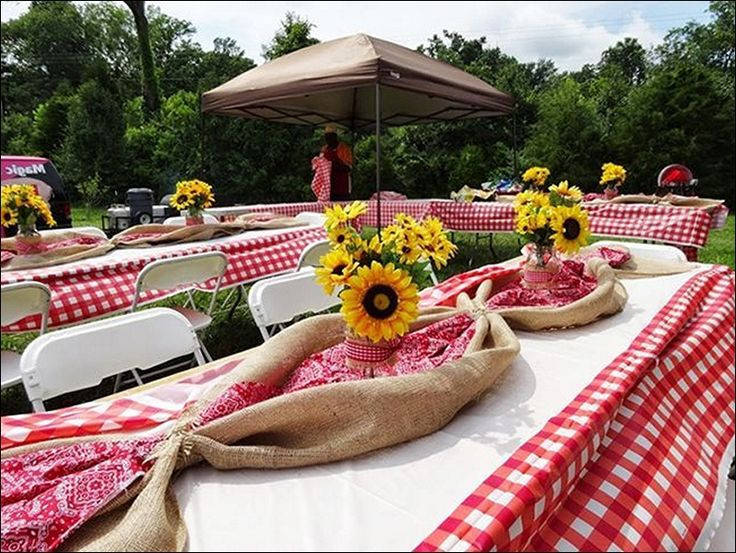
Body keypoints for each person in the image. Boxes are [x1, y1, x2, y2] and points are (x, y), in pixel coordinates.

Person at [320, 124, 353, 201]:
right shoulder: (324, 149)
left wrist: (333, 165)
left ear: (335, 136)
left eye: (329, 136)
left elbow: (349, 167)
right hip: (328, 187)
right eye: (326, 137)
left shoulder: (343, 148)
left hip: (341, 186)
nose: (327, 139)